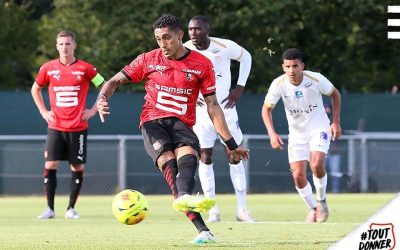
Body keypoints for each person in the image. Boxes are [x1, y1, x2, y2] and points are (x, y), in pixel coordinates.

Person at [96, 14, 249, 244]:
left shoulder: (201, 64)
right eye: (158, 39)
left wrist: (231, 145)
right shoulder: (148, 59)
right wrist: (102, 97)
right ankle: (200, 224)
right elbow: (115, 80)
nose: (162, 44)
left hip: (182, 124)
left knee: (188, 159)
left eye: (167, 38)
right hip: (152, 122)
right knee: (168, 159)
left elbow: (213, 106)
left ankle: (194, 214)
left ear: (180, 35)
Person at [184, 15, 254, 223]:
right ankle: (213, 211)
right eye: (190, 29)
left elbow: (247, 57)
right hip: (201, 114)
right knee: (205, 156)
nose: (193, 33)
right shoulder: (185, 49)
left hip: (226, 109)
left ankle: (242, 210)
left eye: (197, 29)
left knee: (235, 154)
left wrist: (239, 88)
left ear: (207, 29)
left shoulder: (224, 46)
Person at [261, 48, 341, 223]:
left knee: (316, 163)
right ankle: (313, 209)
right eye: (288, 66)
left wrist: (335, 121)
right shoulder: (278, 84)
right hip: (297, 134)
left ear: (302, 66)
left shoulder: (316, 79)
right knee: (297, 175)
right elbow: (266, 109)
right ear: (283, 67)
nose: (291, 70)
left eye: (295, 66)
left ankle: (322, 201)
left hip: (319, 128)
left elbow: (335, 94)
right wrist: (272, 133)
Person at [31, 30, 105, 220]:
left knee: (77, 167)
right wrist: (43, 111)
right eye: (61, 44)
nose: (64, 47)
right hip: (55, 126)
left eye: (68, 43)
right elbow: (35, 89)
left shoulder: (86, 68)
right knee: (50, 164)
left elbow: (105, 86)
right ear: (56, 46)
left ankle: (71, 208)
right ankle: (50, 209)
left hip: (78, 128)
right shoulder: (48, 68)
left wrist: (93, 110)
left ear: (74, 45)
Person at [324, 102, 342, 193]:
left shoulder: (335, 121)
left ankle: (336, 191)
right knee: (319, 172)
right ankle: (320, 192)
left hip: (334, 151)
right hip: (322, 151)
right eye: (324, 108)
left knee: (335, 173)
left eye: (327, 108)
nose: (326, 110)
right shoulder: (318, 120)